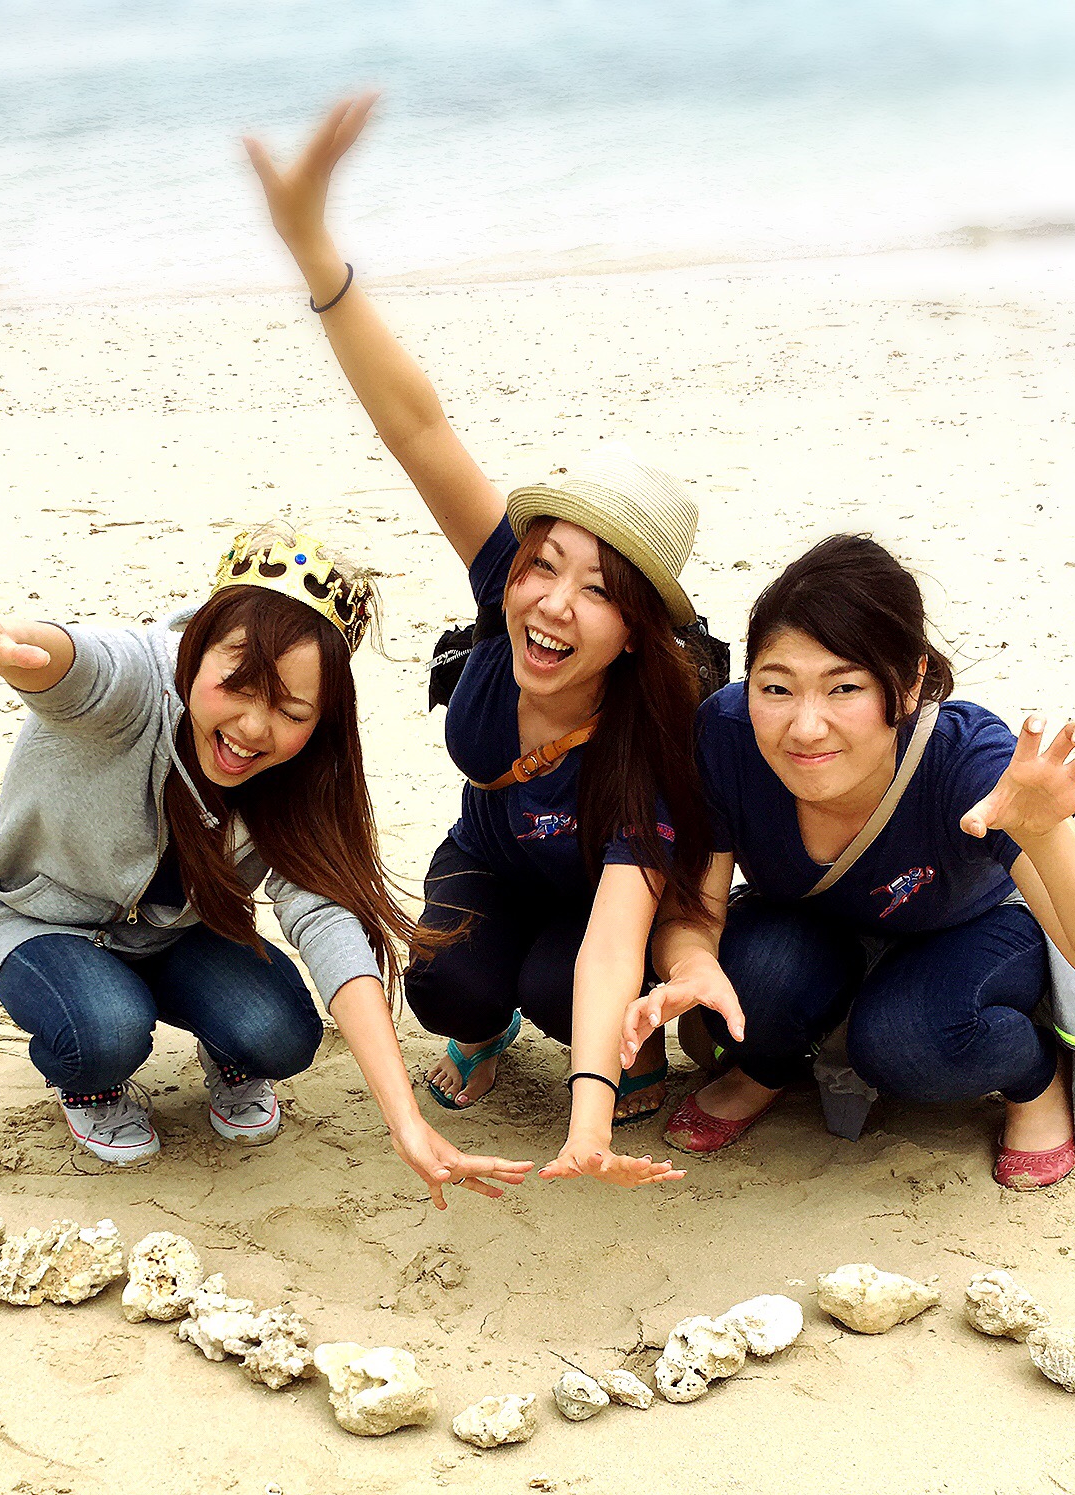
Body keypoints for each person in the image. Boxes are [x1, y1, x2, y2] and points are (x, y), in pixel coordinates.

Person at [248, 96, 723, 1190]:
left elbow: (616, 936)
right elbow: (415, 425)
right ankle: (486, 1030)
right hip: (495, 857)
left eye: (597, 590)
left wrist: (587, 1121)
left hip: (603, 899)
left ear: (637, 629)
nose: (551, 603)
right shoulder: (503, 582)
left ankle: (607, 1047)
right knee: (446, 983)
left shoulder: (650, 735)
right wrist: (313, 247)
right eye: (544, 563)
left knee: (571, 989)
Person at [0, 521, 533, 1205]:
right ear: (197, 649)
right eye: (238, 686)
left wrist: (405, 1121)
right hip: (43, 922)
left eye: (292, 711)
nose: (254, 729)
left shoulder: (305, 773)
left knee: (283, 1036)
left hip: (175, 934)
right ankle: (88, 1085)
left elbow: (326, 921)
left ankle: (222, 1052)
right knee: (105, 1031)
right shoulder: (138, 681)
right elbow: (70, 663)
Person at [625, 534, 1075, 1186]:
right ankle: (766, 1071)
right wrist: (692, 968)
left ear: (909, 684)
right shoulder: (728, 736)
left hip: (968, 927)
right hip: (819, 927)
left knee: (905, 1040)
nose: (805, 727)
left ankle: (1035, 1077)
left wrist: (1047, 835)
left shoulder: (967, 761)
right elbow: (696, 913)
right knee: (749, 979)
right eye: (777, 687)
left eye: (844, 687)